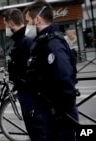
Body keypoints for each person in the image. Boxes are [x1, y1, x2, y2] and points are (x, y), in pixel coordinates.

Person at [24, 0, 79, 140]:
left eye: (28, 21)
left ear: (37, 19)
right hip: (52, 111)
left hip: (59, 115)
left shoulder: (53, 44)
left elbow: (64, 76)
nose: (27, 26)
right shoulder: (45, 42)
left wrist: (60, 110)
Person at [2, 8, 46, 141]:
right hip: (27, 93)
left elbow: (38, 69)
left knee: (38, 132)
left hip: (31, 95)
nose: (5, 28)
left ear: (11, 23)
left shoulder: (25, 41)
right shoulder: (21, 40)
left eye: (5, 24)